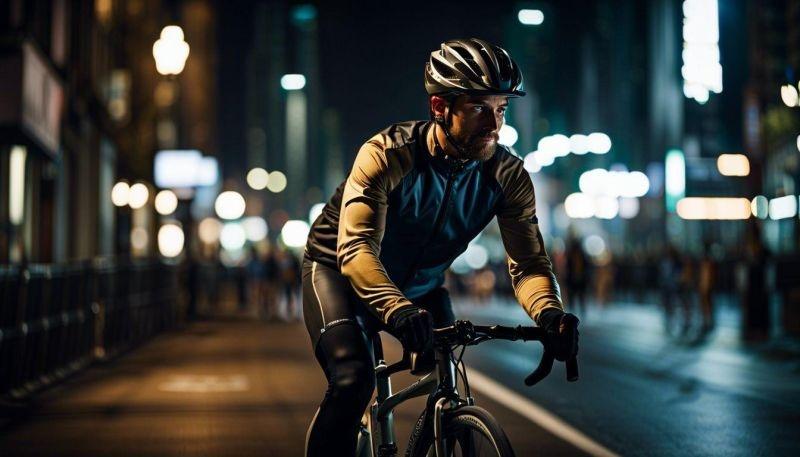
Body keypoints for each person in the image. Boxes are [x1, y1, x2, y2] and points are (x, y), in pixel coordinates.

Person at [301, 38, 579, 456]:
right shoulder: (386, 154)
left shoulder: (508, 175)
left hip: (422, 285)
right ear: (439, 108)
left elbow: (529, 263)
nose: (494, 125)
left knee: (447, 371)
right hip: (338, 274)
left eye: (501, 109)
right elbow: (356, 248)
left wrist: (550, 313)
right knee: (353, 380)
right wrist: (396, 309)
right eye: (478, 108)